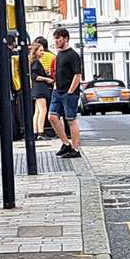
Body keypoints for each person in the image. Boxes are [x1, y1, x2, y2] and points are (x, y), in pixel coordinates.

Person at [50, 26, 84, 159]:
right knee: (52, 117)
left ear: (66, 39)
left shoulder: (73, 55)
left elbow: (77, 75)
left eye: (58, 38)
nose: (56, 41)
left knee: (71, 120)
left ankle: (75, 149)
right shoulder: (59, 54)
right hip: (57, 91)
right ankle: (65, 143)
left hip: (69, 93)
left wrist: (70, 92)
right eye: (55, 38)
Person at [29, 36, 57, 137]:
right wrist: (47, 79)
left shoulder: (34, 62)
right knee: (43, 110)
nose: (43, 52)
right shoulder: (36, 62)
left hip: (37, 89)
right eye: (40, 50)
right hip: (40, 89)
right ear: (35, 51)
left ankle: (35, 132)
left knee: (37, 111)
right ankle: (40, 132)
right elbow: (35, 76)